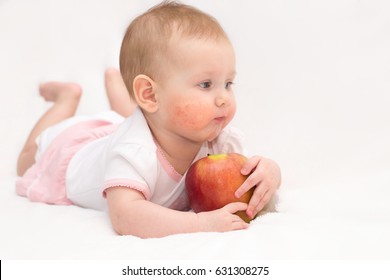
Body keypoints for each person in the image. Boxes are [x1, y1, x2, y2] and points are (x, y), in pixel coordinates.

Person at [16, 1, 281, 238]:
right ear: (149, 94)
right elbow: (125, 216)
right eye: (205, 84)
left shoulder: (214, 136)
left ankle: (117, 84)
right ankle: (66, 99)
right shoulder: (133, 150)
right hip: (71, 152)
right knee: (26, 160)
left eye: (228, 83)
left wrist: (271, 173)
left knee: (139, 120)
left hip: (120, 129)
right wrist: (198, 224)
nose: (223, 98)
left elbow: (249, 173)